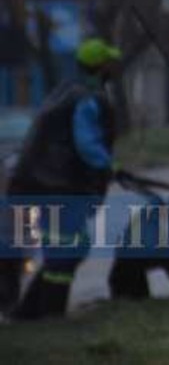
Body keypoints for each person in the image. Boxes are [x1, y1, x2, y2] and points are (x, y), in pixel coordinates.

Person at [9, 37, 122, 320]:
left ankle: (28, 312)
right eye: (110, 61)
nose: (114, 66)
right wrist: (108, 166)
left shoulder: (64, 91)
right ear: (101, 66)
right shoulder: (87, 98)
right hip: (56, 188)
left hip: (37, 184)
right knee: (64, 252)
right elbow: (87, 144)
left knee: (71, 248)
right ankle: (50, 314)